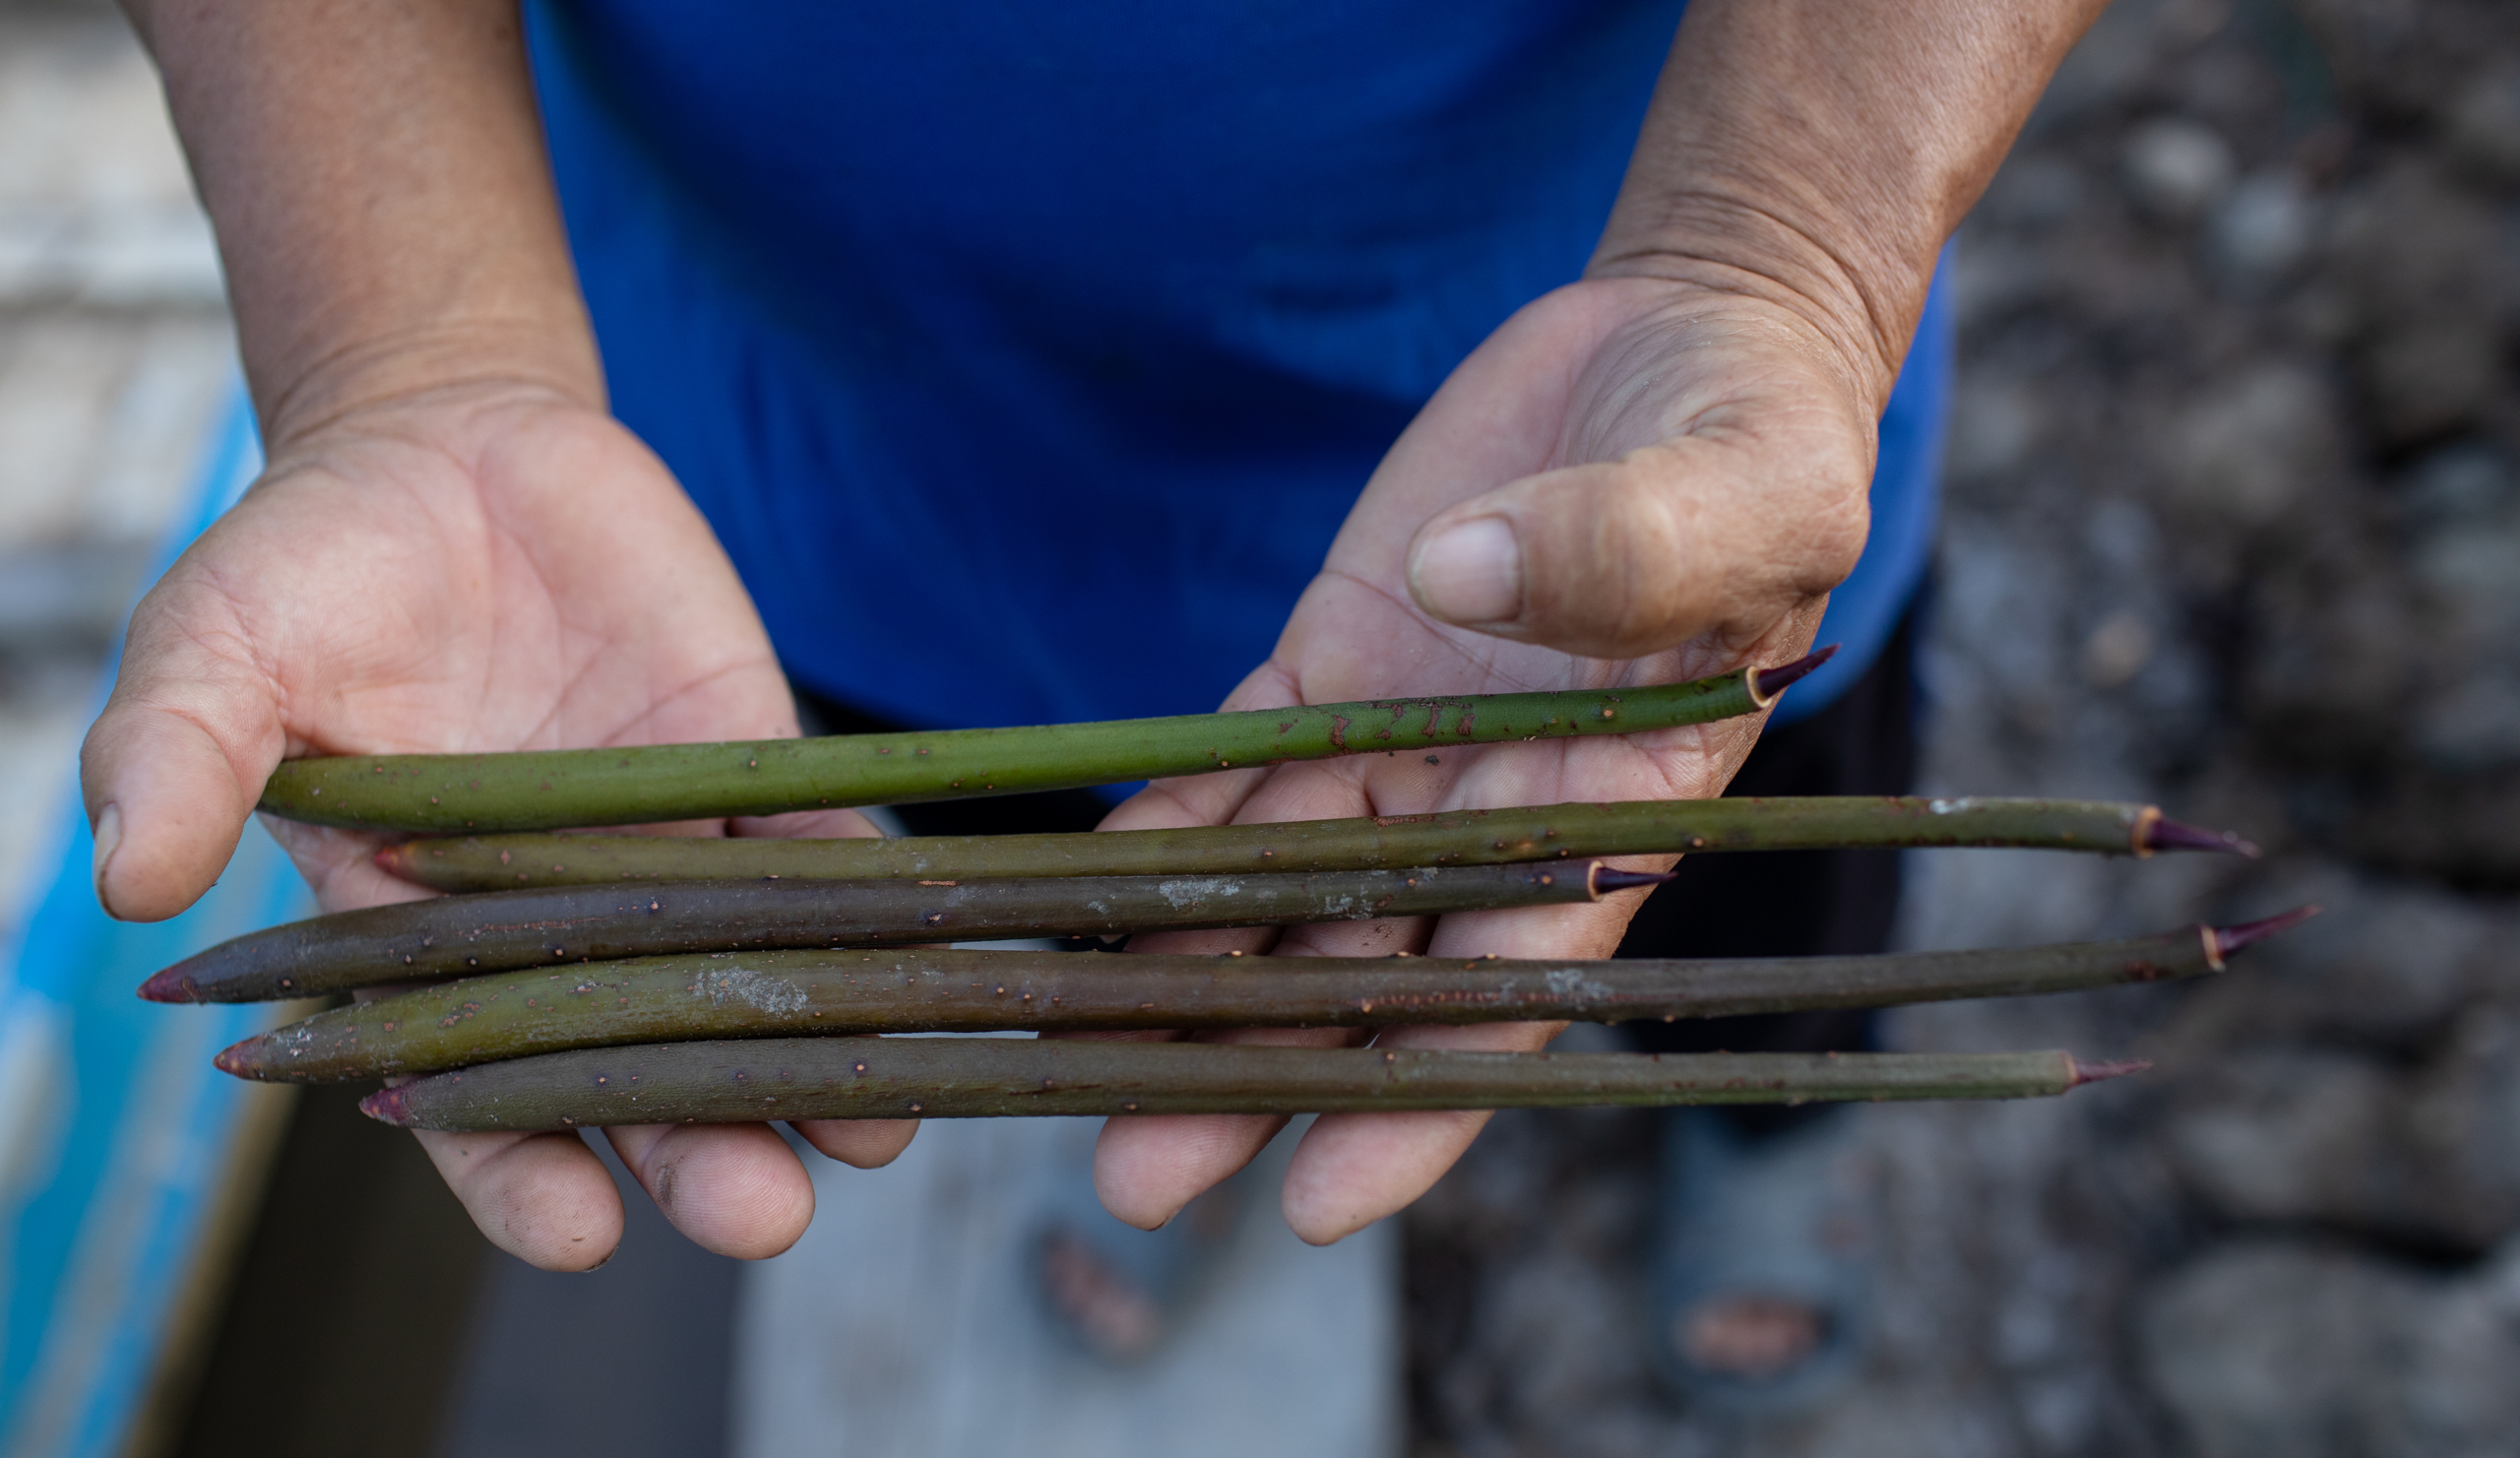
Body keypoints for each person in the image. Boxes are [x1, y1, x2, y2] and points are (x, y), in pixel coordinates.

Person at [86, 1, 2102, 1385]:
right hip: (821, 464)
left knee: (1743, 857)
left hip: (1638, 432)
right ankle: (1188, 1085)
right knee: (1100, 928)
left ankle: (1761, 1128)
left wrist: (1779, 262)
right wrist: (406, 354)